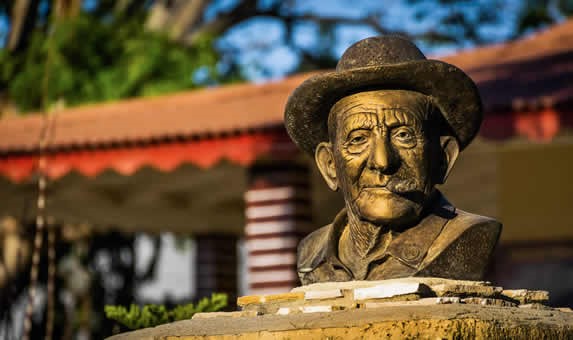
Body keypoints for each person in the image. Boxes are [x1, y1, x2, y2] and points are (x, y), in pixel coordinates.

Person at [283, 36, 501, 285]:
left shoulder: (469, 237)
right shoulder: (312, 254)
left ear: (442, 159)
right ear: (330, 165)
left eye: (403, 135)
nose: (383, 161)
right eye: (358, 139)